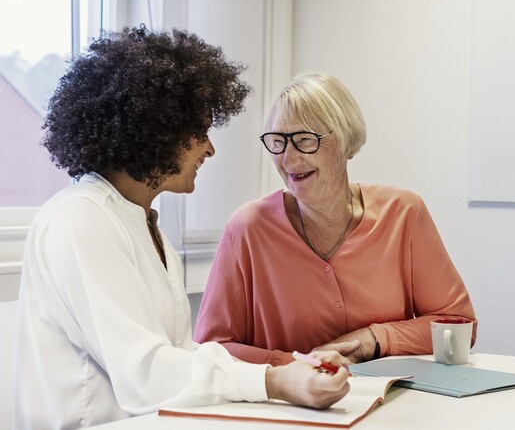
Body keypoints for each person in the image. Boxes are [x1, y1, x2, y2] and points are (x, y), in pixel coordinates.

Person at [12, 26, 350, 430]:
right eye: (201, 132)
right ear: (157, 129)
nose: (210, 149)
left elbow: (178, 353)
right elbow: (145, 374)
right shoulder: (80, 219)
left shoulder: (139, 222)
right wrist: (274, 381)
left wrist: (292, 368)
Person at [193, 72, 477, 366]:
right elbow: (210, 350)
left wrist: (372, 340)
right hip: (292, 408)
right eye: (278, 141)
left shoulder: (404, 213)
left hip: (393, 402)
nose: (288, 160)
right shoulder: (247, 228)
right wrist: (296, 366)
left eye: (305, 140)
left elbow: (457, 326)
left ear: (346, 142)